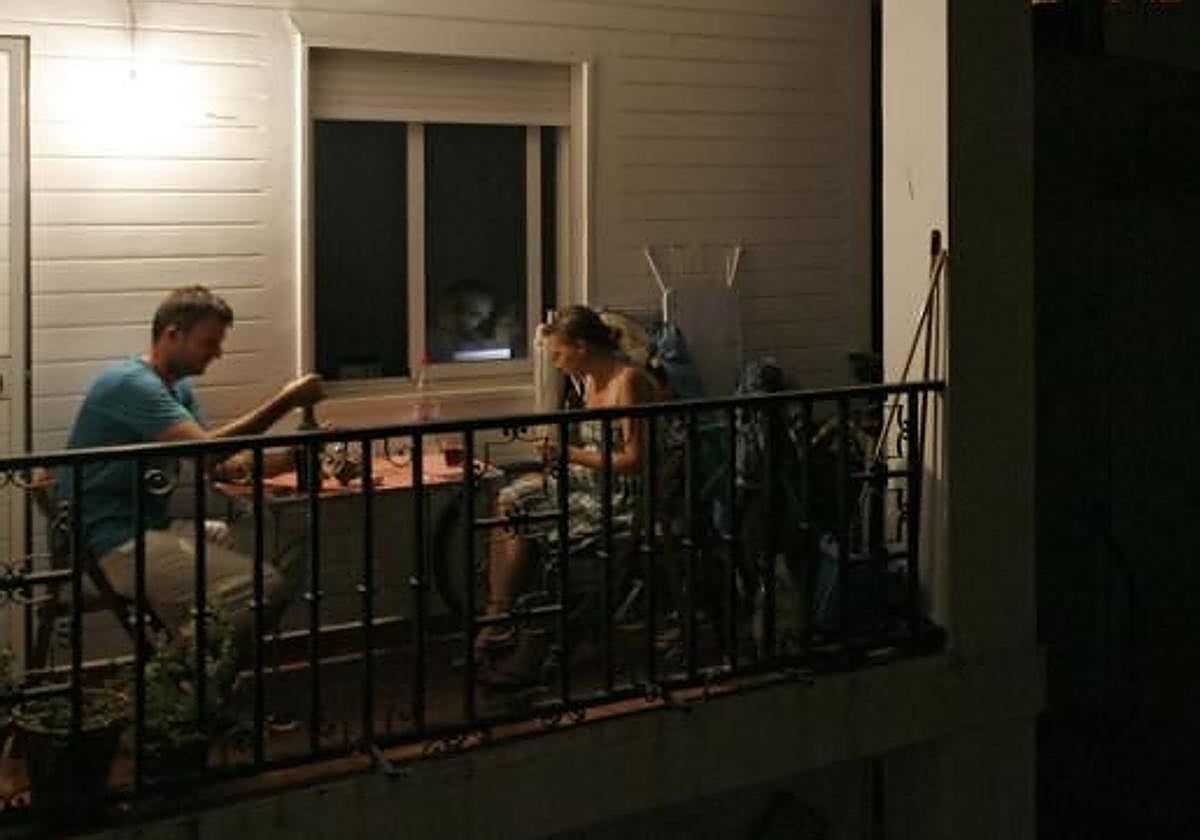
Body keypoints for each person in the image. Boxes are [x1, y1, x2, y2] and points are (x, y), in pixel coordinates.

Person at [59, 285, 326, 655]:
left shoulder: (176, 389)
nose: (217, 353)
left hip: (150, 527)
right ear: (173, 334)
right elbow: (207, 453)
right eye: (209, 342)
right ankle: (174, 674)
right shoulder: (131, 384)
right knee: (262, 585)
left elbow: (220, 466)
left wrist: (292, 458)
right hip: (109, 543)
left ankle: (210, 660)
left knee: (281, 542)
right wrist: (286, 401)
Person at [478, 305, 661, 687]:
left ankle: (531, 641)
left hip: (621, 497)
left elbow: (635, 461)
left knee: (544, 528)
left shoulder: (628, 382)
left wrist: (570, 454)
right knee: (511, 498)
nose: (556, 363)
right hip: (588, 483)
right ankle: (499, 615)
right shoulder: (588, 380)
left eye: (559, 354)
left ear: (581, 346)